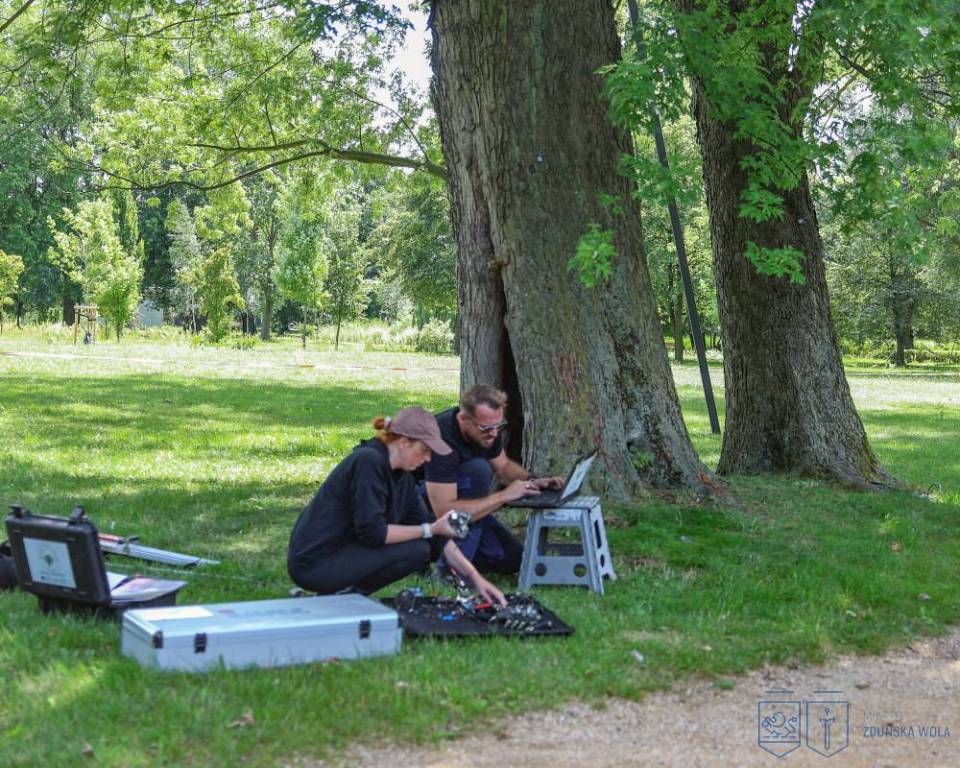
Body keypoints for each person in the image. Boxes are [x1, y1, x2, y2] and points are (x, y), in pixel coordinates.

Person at [287, 406, 505, 605]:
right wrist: (429, 529)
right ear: (404, 442)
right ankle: (342, 597)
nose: (428, 459)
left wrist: (475, 578)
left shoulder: (402, 477)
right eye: (424, 450)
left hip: (342, 552)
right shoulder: (368, 462)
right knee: (416, 549)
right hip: (315, 563)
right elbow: (374, 533)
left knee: (422, 548)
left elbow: (436, 535)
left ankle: (344, 597)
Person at [419, 385, 565, 575]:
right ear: (463, 419)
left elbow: (504, 467)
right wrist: (504, 496)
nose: (494, 434)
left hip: (463, 511)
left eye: (498, 426)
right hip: (420, 513)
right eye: (486, 428)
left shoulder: (487, 429)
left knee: (513, 558)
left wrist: (531, 480)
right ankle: (449, 569)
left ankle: (445, 552)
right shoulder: (441, 440)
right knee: (478, 470)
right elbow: (445, 512)